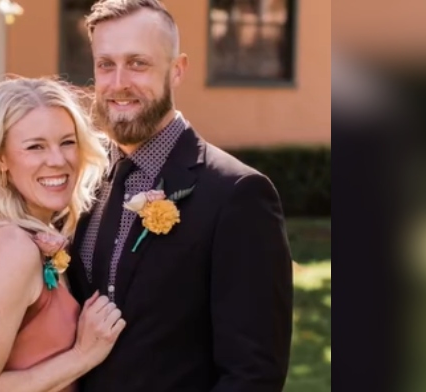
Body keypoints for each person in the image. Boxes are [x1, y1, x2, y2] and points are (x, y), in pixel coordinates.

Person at [65, 1, 294, 391]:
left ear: (177, 70)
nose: (118, 82)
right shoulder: (82, 177)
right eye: (106, 64)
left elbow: (253, 375)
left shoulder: (238, 195)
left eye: (138, 63)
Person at [0, 77, 127, 392]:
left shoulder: (34, 236)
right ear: (1, 158)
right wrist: (83, 355)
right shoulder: (11, 247)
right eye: (35, 146)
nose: (58, 160)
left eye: (67, 142)